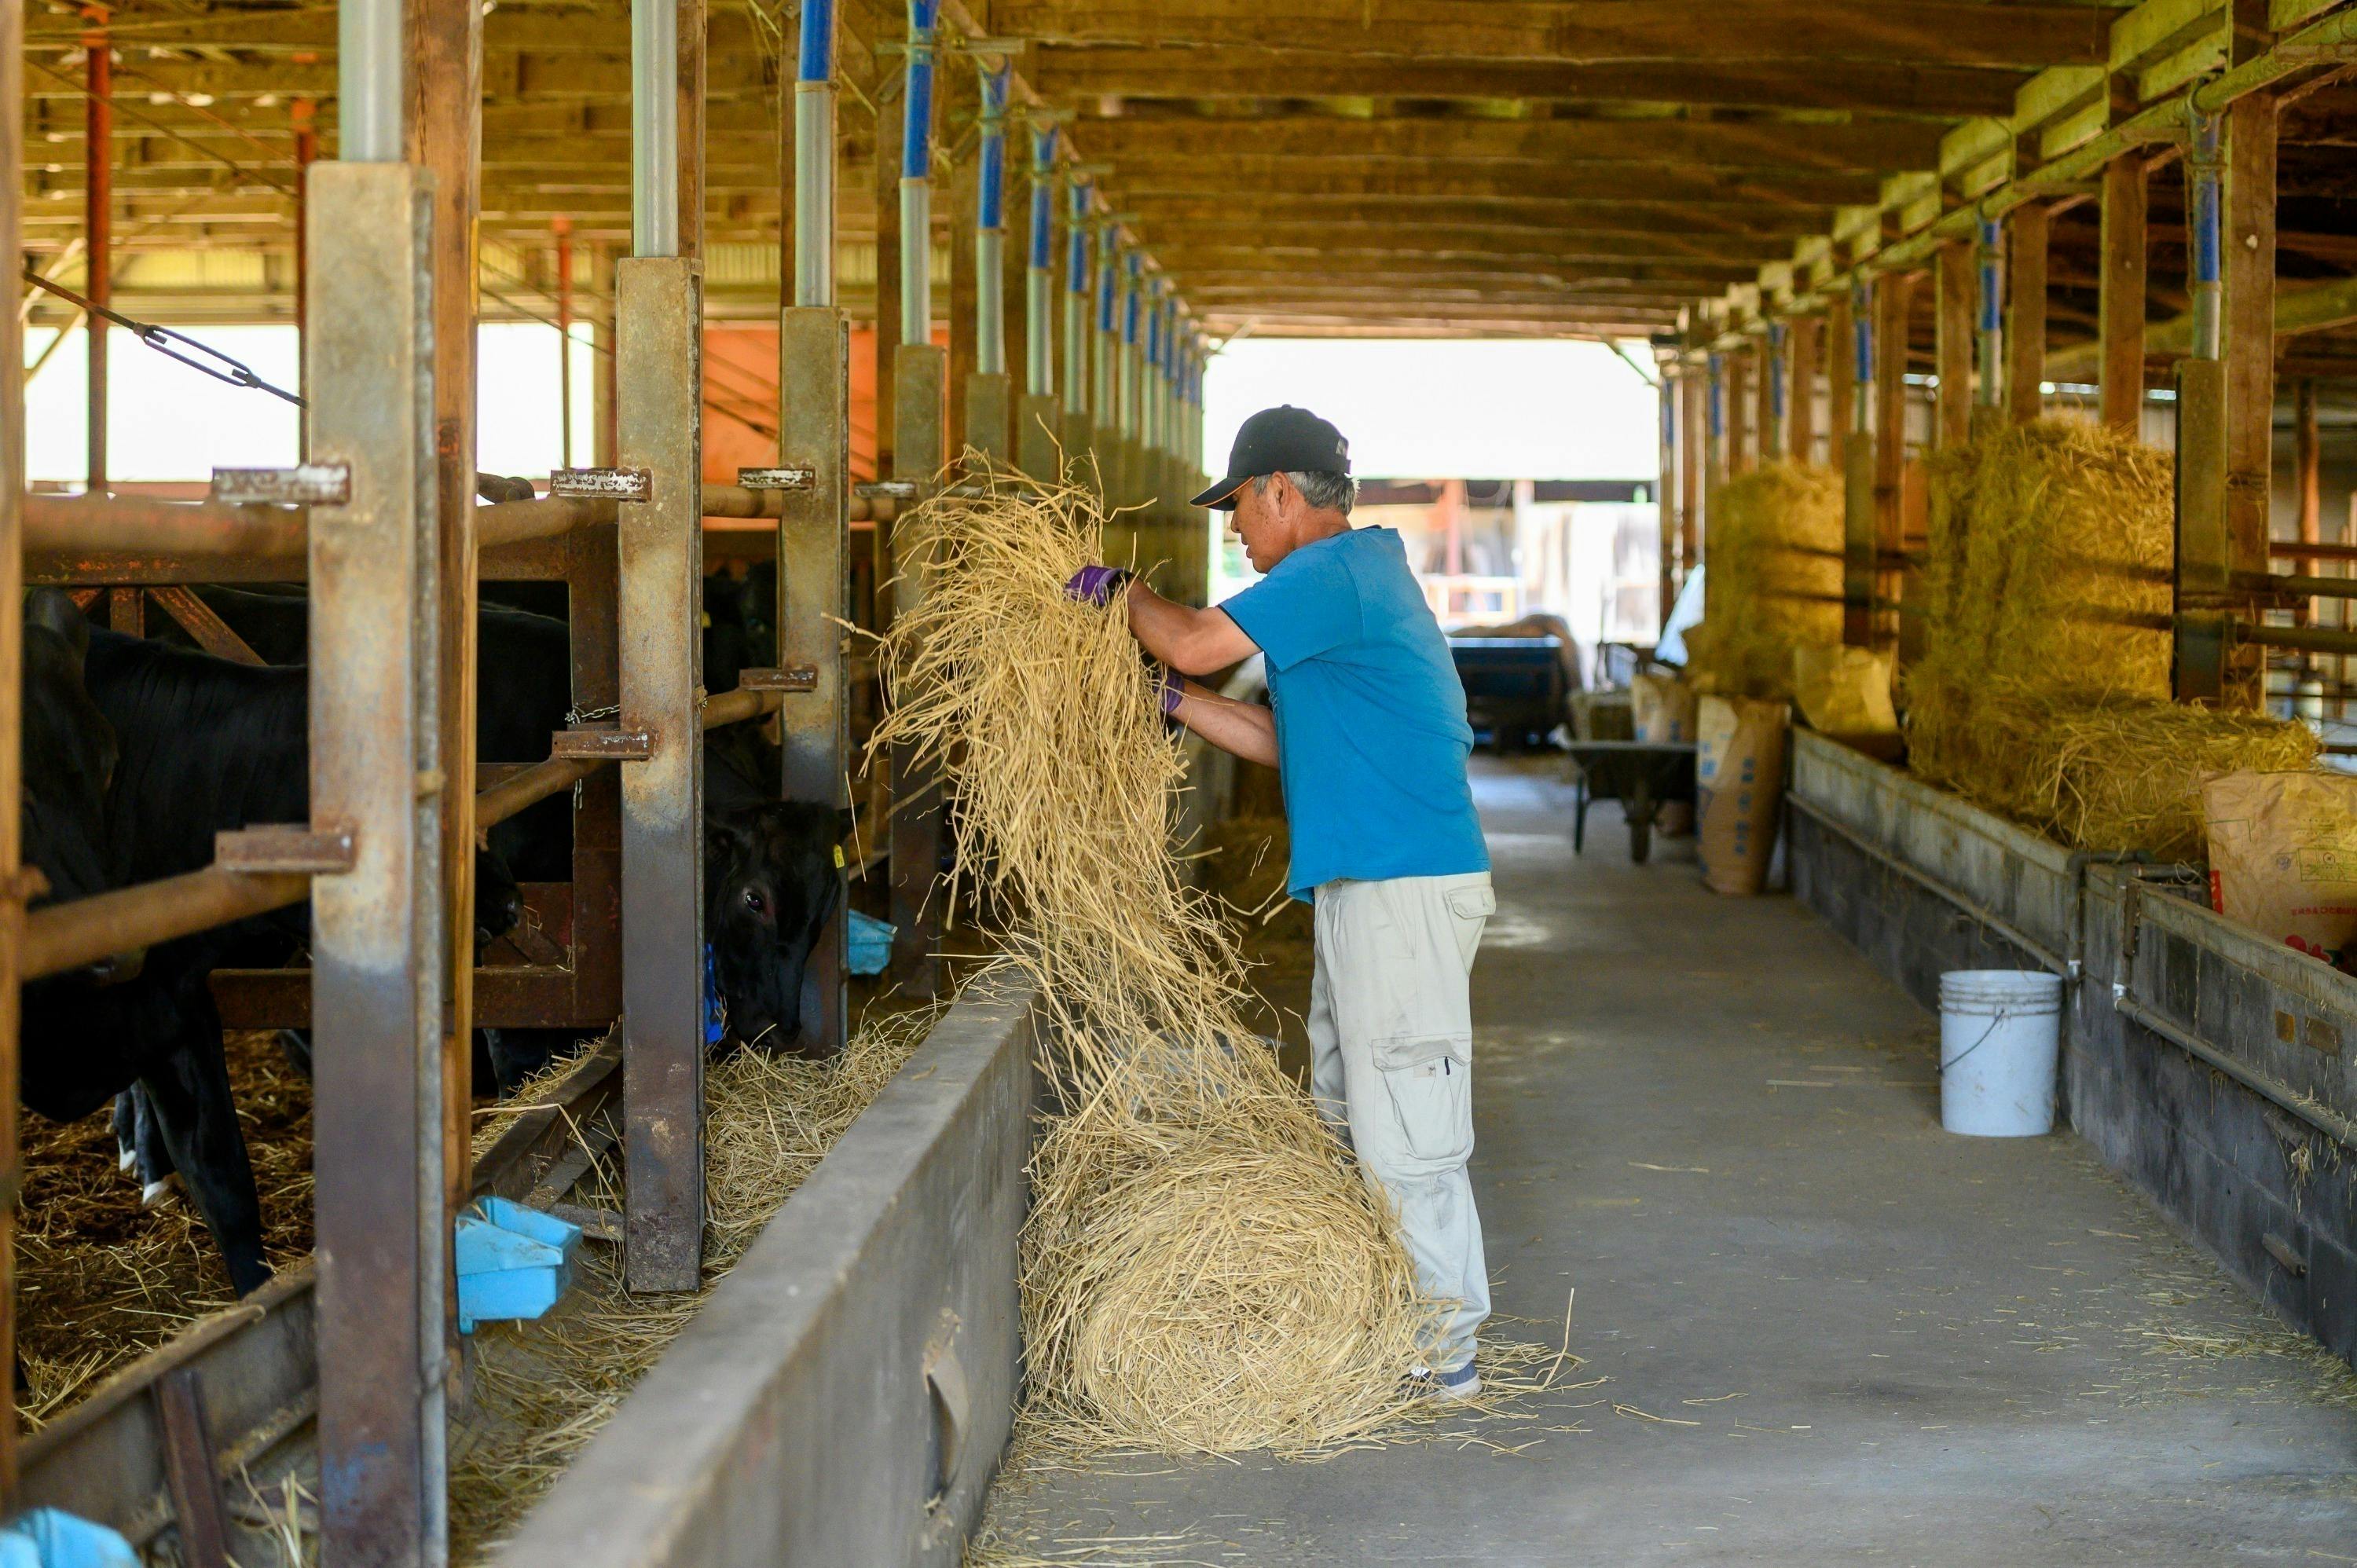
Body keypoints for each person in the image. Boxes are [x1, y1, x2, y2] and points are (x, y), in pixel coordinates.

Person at [1065, 405, 1495, 1398]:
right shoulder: (1339, 589)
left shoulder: (1332, 572)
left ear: (1281, 494)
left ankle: (1443, 1348)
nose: (1233, 532)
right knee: (1355, 1101)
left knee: (1403, 1112)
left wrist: (1119, 593)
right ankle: (1387, 1313)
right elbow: (1280, 745)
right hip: (1368, 881)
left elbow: (1197, 641)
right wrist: (1163, 702)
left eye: (1237, 510)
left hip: (1404, 882)